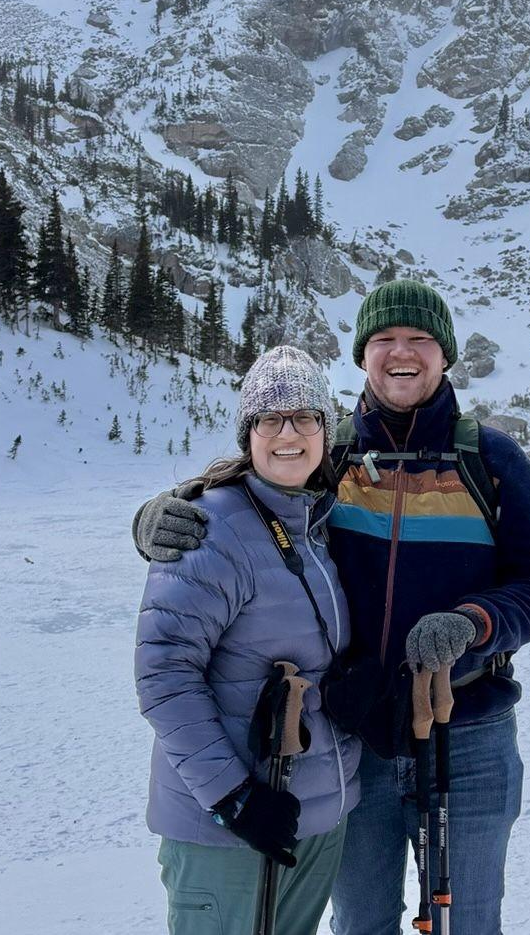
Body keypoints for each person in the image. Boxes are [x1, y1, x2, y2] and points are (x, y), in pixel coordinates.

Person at [135, 280, 530, 935]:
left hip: (468, 730)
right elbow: (248, 487)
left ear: (445, 354)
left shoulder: (490, 458)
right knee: (362, 920)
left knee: (466, 924)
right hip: (354, 735)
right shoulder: (330, 452)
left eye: (419, 338)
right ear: (363, 356)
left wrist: (474, 621)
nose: (402, 352)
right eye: (384, 340)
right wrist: (154, 517)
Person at [135, 345, 361, 935]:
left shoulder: (317, 523)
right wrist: (233, 798)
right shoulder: (211, 527)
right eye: (270, 418)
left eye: (305, 417)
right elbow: (165, 675)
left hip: (310, 818)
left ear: (325, 432)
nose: (288, 432)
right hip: (228, 830)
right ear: (249, 434)